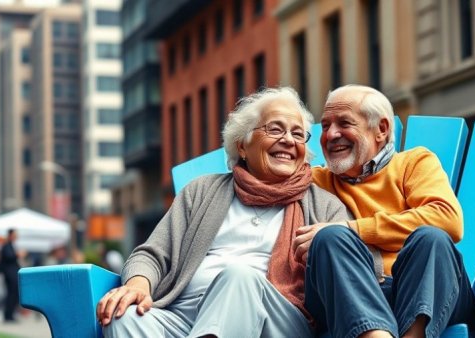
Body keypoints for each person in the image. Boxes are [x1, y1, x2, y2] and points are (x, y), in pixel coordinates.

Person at [97, 87, 349, 338]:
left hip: (275, 321)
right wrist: (137, 285)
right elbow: (152, 253)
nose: (288, 140)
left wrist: (324, 247)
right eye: (275, 129)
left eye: (298, 133)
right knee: (123, 317)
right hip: (183, 317)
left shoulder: (324, 206)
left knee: (239, 276)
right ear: (242, 146)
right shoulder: (202, 191)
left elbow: (351, 270)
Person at [293, 85, 475, 338]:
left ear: (381, 129)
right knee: (330, 239)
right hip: (349, 295)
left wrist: (354, 229)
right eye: (325, 126)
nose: (331, 134)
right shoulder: (313, 180)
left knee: (431, 238)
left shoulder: (413, 163)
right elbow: (266, 177)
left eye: (344, 123)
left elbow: (447, 219)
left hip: (426, 293)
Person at [0, 228, 22, 322]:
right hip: (9, 274)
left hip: (11, 274)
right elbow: (9, 257)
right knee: (10, 294)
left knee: (11, 295)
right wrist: (18, 255)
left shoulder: (10, 245)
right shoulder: (6, 245)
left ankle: (9, 314)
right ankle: (7, 315)